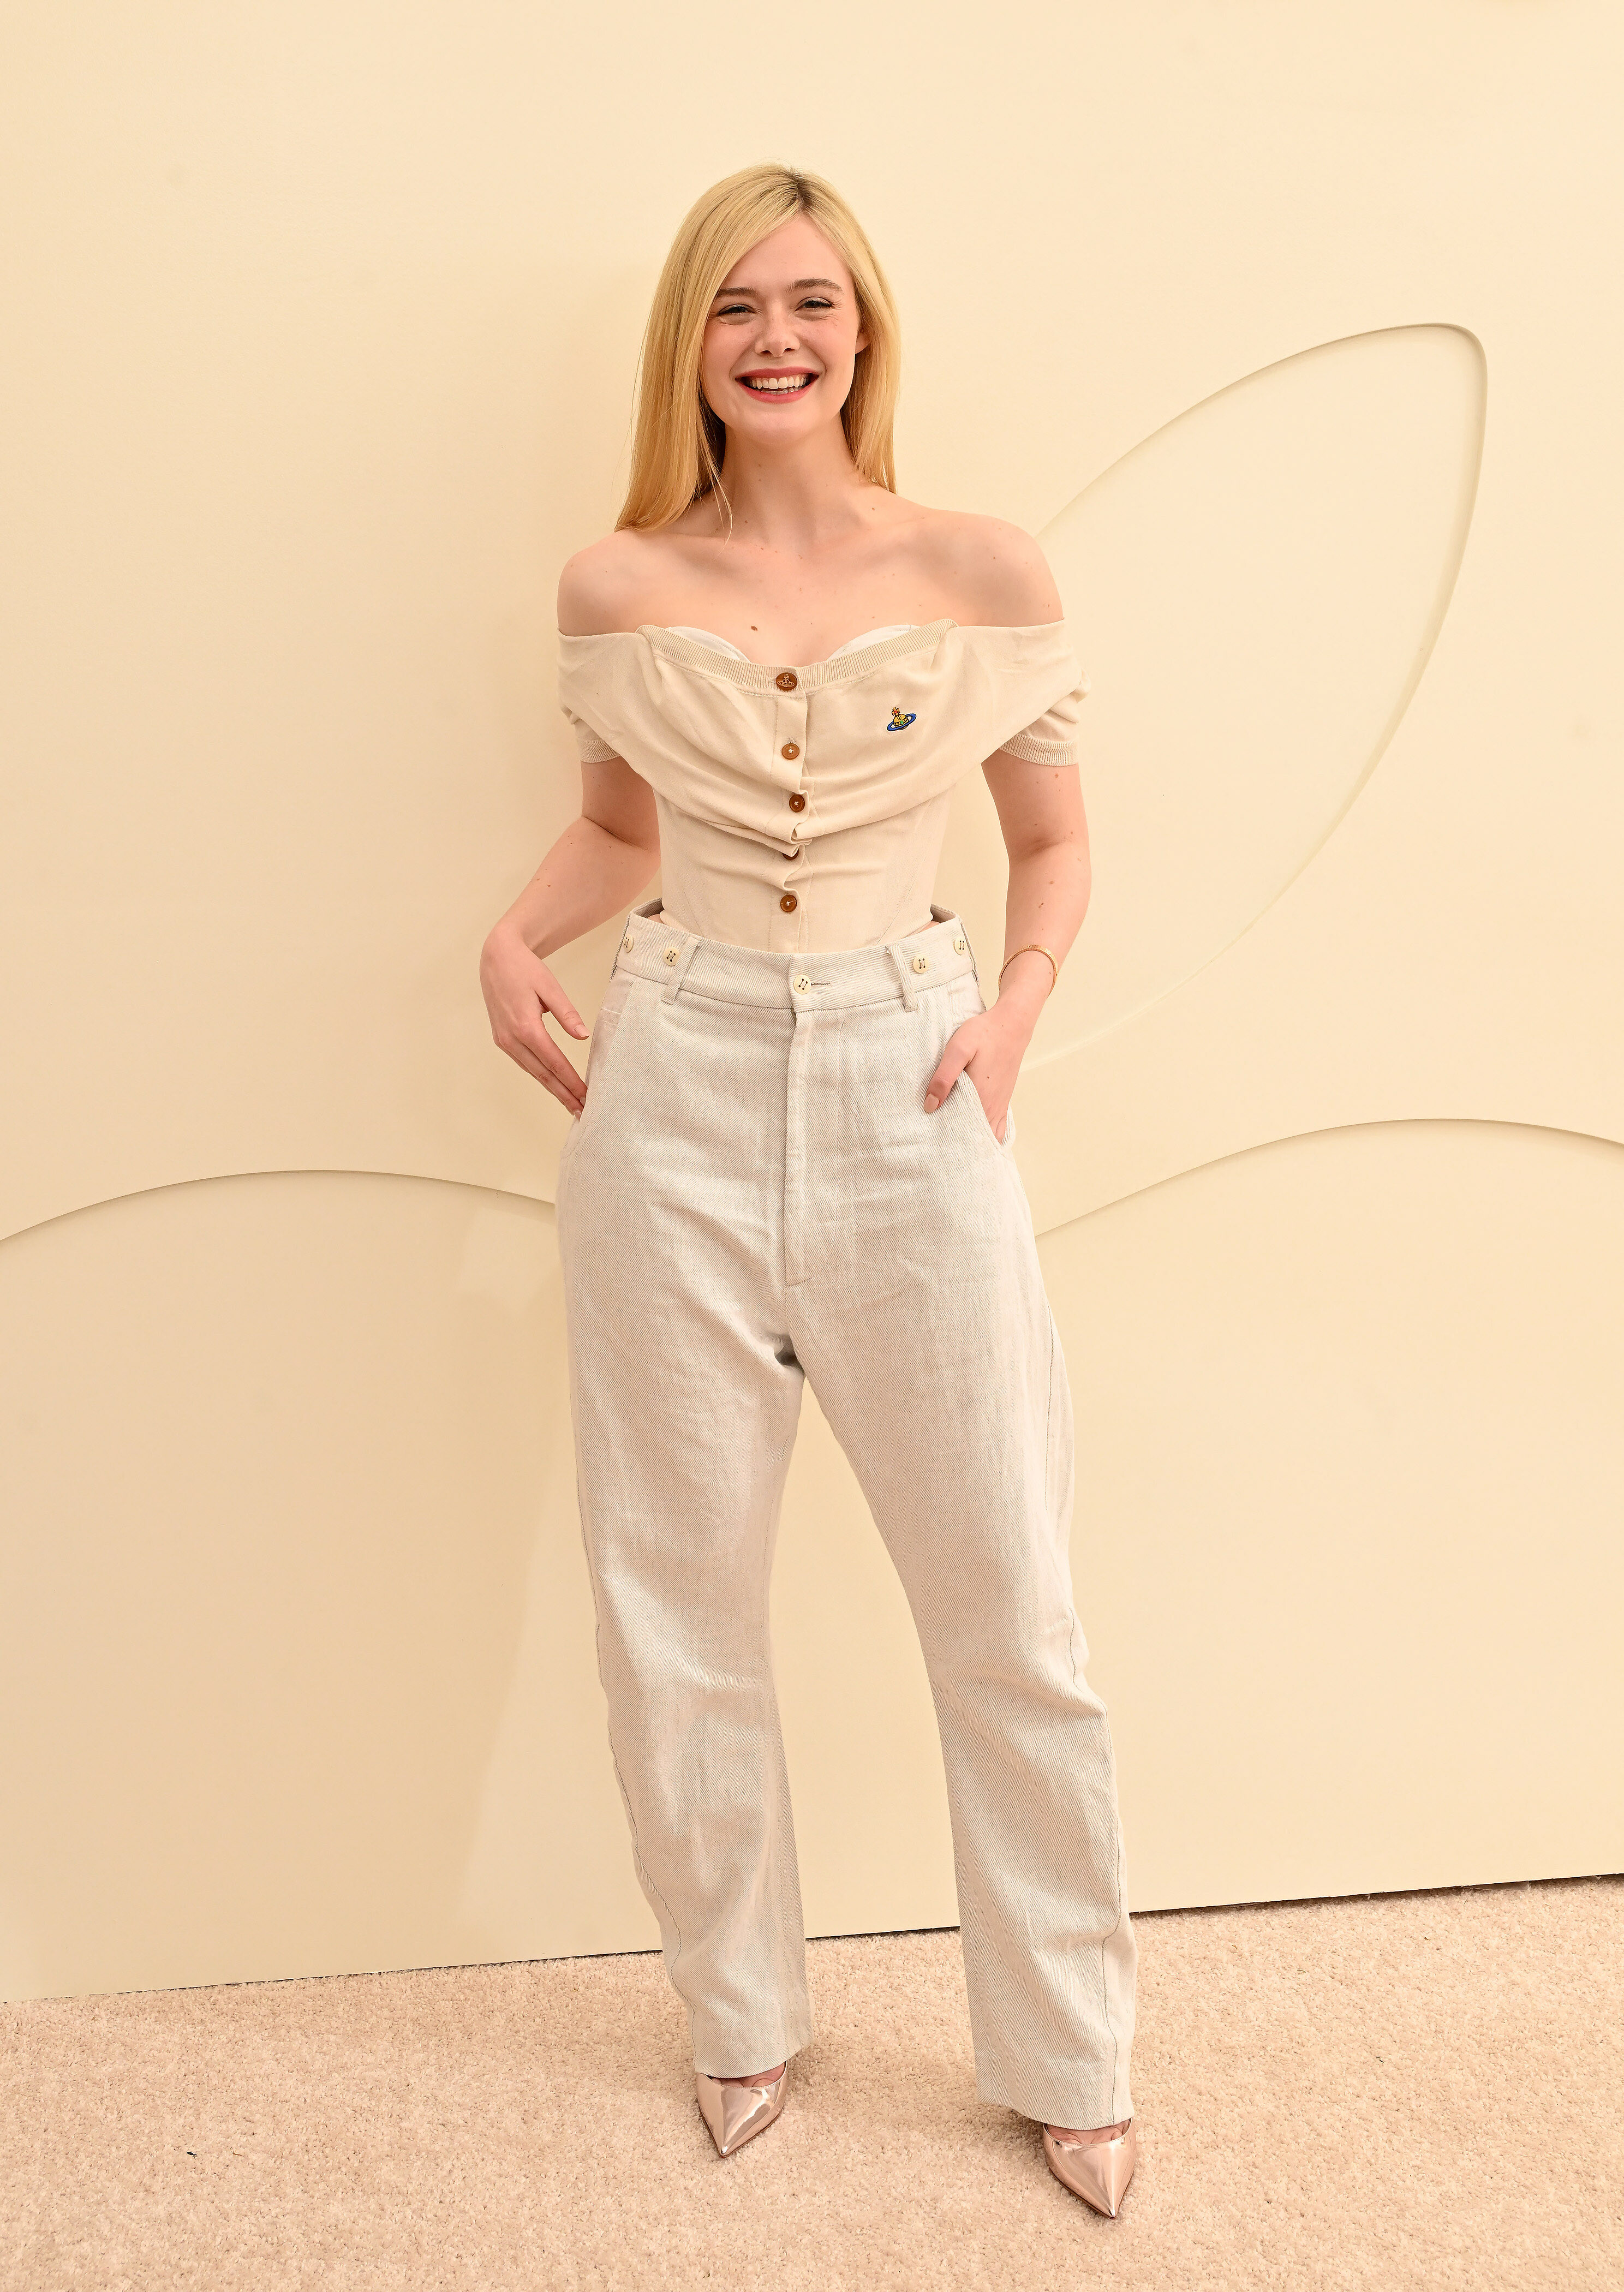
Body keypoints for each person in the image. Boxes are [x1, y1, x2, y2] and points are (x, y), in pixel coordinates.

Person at [479, 163, 1138, 2218]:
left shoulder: (981, 565)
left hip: (908, 1067)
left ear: (864, 330)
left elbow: (1053, 845)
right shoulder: (614, 586)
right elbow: (619, 827)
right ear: (691, 342)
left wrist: (1013, 1012)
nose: (778, 339)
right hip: (668, 1074)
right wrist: (512, 936)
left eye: (813, 303)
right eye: (737, 306)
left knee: (1005, 1589)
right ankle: (740, 2014)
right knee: (671, 1599)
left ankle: (1070, 2053)